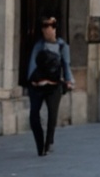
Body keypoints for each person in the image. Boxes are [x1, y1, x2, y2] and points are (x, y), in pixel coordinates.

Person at [25, 16, 73, 156]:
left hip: (53, 86)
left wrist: (68, 80)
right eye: (44, 26)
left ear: (54, 29)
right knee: (34, 116)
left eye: (49, 26)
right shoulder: (38, 45)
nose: (46, 29)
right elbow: (32, 65)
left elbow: (66, 64)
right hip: (37, 86)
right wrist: (31, 81)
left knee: (52, 115)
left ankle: (48, 142)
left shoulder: (62, 46)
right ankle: (40, 146)